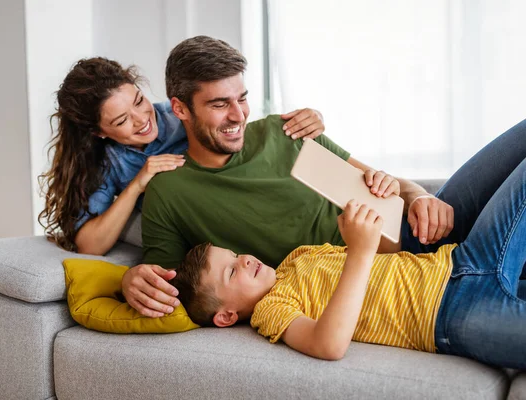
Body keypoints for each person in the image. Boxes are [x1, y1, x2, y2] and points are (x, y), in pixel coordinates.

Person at [122, 34, 526, 318]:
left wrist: (418, 195)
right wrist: (130, 281)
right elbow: (169, 280)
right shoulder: (171, 191)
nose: (238, 115)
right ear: (180, 109)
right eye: (219, 104)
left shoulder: (282, 131)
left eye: (242, 98)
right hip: (402, 266)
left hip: (425, 220)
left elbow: (388, 182)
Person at [171, 155, 526, 369]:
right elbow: (328, 345)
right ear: (226, 316)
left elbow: (389, 255)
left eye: (235, 255)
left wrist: (386, 197)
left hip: (458, 260)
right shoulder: (271, 310)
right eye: (232, 270)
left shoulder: (297, 258)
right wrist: (360, 249)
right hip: (452, 312)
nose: (246, 259)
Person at [37, 57, 326, 254]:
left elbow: (239, 129)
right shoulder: (108, 162)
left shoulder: (182, 115)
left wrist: (311, 118)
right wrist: (139, 182)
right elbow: (90, 244)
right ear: (99, 132)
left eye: (139, 101)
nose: (141, 120)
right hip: (184, 223)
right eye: (122, 120)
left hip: (233, 200)